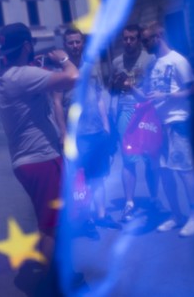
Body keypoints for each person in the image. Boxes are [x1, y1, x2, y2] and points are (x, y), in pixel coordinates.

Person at [0, 22, 79, 282]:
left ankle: (57, 272)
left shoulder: (4, 78)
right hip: (41, 159)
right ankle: (53, 283)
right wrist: (64, 58)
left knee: (49, 222)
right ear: (27, 46)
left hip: (26, 161)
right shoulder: (23, 76)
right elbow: (74, 77)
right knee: (52, 226)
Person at [54, 28, 119, 235]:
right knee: (81, 179)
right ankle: (87, 219)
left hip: (96, 130)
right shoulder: (60, 71)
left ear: (83, 44)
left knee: (99, 175)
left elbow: (99, 97)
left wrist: (106, 124)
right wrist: (63, 133)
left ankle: (101, 215)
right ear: (65, 45)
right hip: (77, 135)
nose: (74, 46)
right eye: (70, 42)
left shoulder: (92, 67)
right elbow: (56, 103)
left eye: (77, 42)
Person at [141, 21, 194, 237]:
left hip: (177, 123)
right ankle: (176, 214)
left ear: (158, 37)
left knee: (184, 171)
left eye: (146, 40)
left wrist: (166, 96)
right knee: (164, 172)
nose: (143, 44)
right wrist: (130, 91)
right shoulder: (152, 65)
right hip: (157, 126)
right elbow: (150, 95)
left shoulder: (178, 61)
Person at [110, 24, 159, 222]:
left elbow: (154, 89)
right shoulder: (116, 62)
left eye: (132, 38)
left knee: (149, 158)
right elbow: (113, 91)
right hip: (126, 112)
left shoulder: (150, 59)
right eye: (125, 38)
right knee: (128, 159)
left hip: (146, 112)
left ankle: (154, 199)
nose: (128, 42)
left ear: (139, 40)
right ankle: (129, 203)